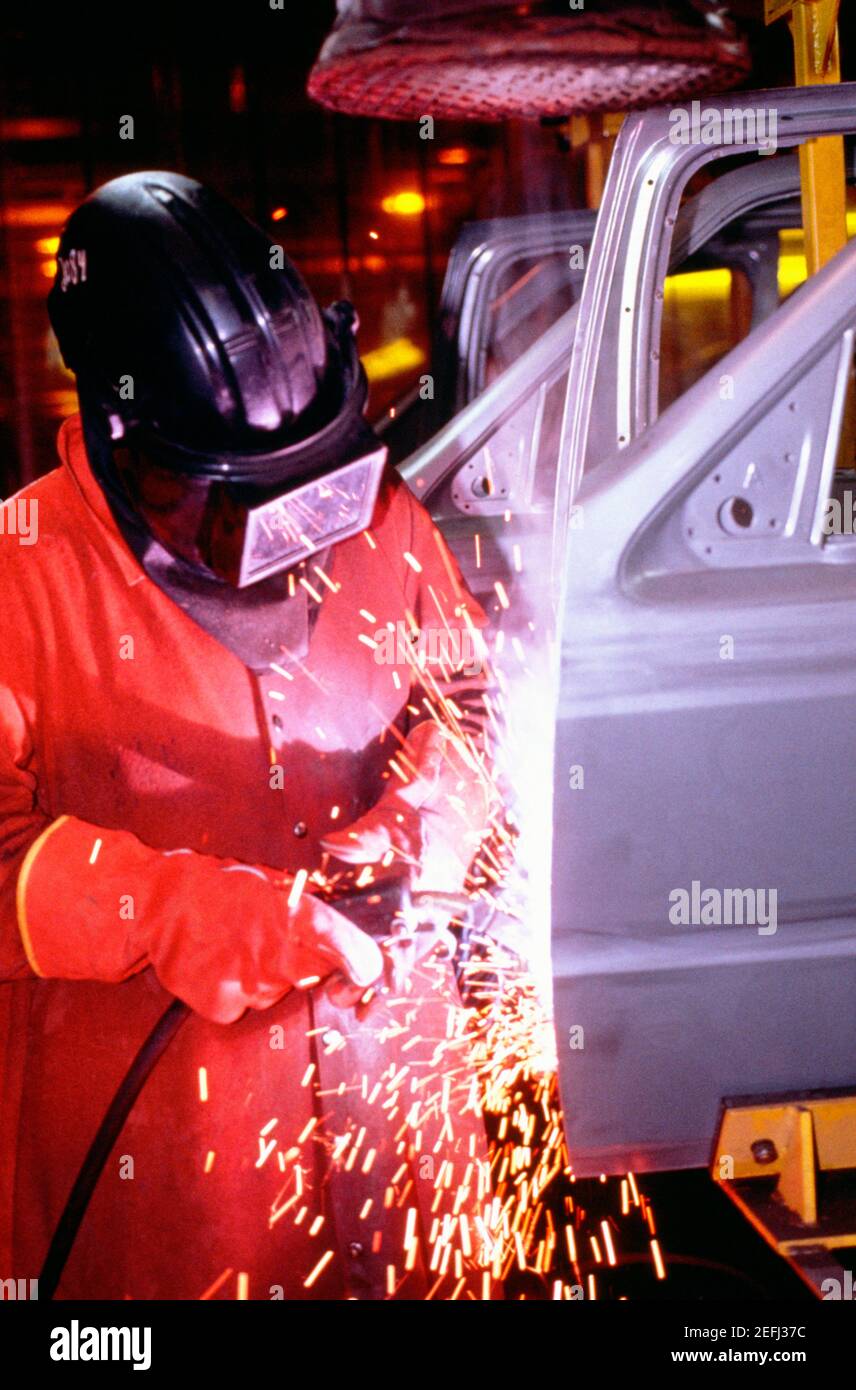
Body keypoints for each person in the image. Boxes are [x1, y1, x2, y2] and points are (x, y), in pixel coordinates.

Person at [0, 172, 497, 1299]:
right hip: (167, 1206)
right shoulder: (19, 571)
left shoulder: (382, 521)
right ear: (131, 442)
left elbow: (471, 707)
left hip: (407, 1163)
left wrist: (420, 821)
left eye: (310, 489)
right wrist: (185, 913)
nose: (289, 542)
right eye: (230, 504)